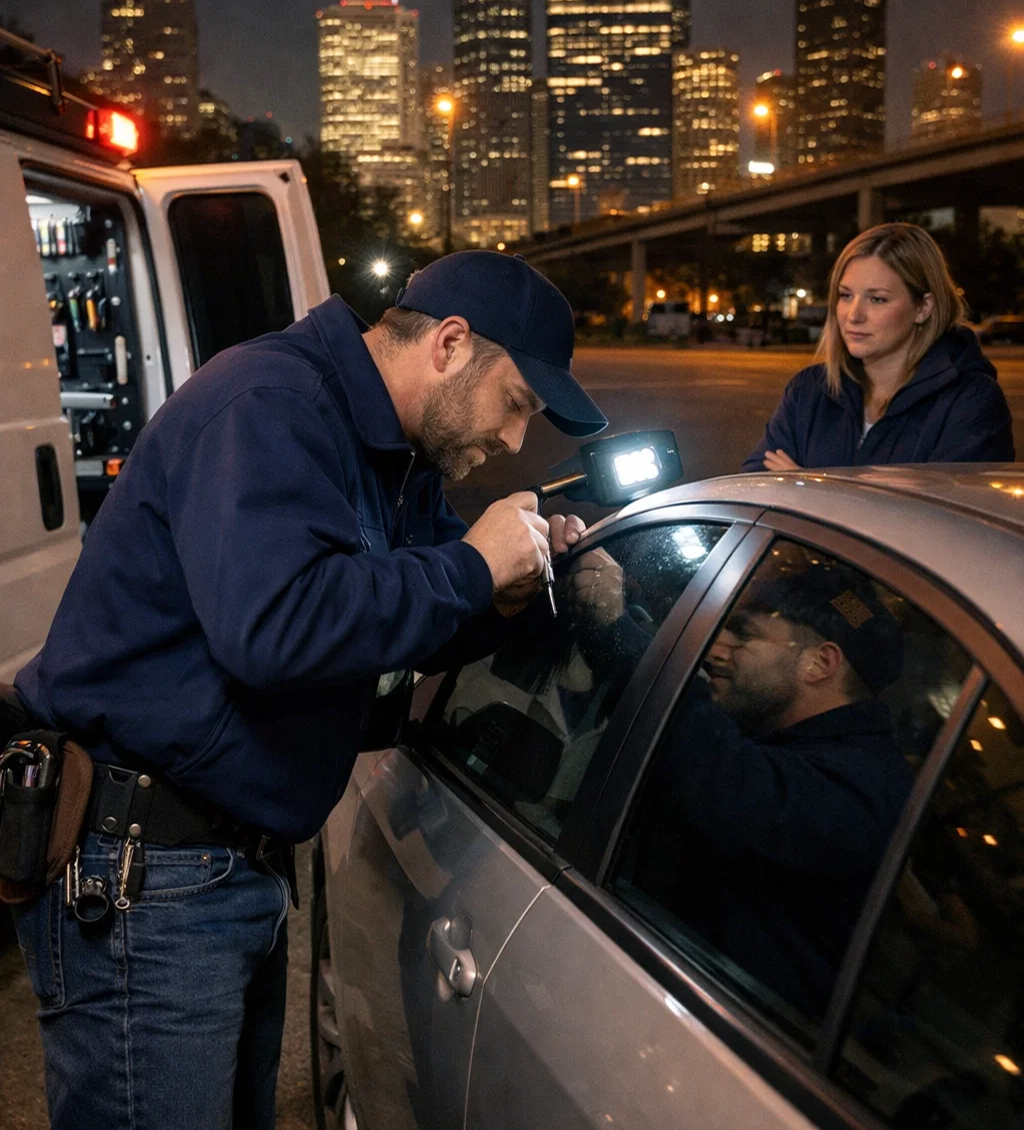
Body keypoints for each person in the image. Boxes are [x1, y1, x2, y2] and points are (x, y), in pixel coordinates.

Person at [6, 250, 607, 1129]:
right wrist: (475, 567)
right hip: (144, 874)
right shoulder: (272, 405)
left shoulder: (393, 454)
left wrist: (521, 588)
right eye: (516, 403)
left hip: (220, 872)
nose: (516, 442)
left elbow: (423, 605)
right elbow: (276, 628)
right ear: (448, 344)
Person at [628, 563, 912, 1017]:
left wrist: (622, 643)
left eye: (744, 635)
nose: (716, 648)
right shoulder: (792, 739)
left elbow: (733, 789)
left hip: (724, 1029)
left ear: (820, 663)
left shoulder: (866, 786)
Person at [742, 222, 1015, 471]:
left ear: (923, 307)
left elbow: (942, 522)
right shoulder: (809, 392)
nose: (854, 315)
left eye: (878, 299)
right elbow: (755, 493)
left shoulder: (971, 402)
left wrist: (805, 490)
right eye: (846, 295)